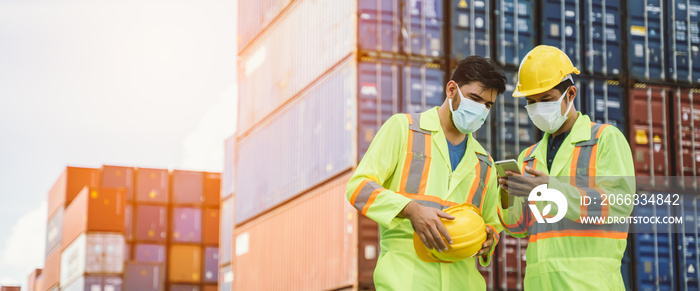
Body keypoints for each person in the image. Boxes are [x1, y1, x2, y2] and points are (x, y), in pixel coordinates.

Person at [346, 56, 507, 290]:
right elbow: (358, 188)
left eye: (488, 105)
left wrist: (489, 238)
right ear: (451, 89)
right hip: (406, 282)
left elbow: (492, 224)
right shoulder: (403, 129)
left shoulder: (485, 163)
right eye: (475, 98)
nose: (480, 110)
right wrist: (411, 210)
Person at [497, 45, 635, 290]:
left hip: (589, 284)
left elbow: (619, 205)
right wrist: (508, 193)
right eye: (531, 102)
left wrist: (550, 190)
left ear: (570, 94)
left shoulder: (605, 139)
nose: (538, 108)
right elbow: (518, 228)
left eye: (546, 100)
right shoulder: (528, 157)